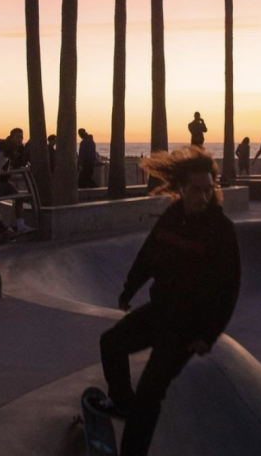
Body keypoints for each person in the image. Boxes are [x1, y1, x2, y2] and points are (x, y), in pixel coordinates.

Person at [95, 146, 241, 456]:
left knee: (149, 393)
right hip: (161, 311)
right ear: (181, 189)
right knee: (111, 343)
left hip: (188, 329)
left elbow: (229, 288)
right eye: (195, 190)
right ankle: (122, 404)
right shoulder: (172, 216)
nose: (202, 197)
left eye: (207, 190)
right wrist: (129, 287)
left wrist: (208, 334)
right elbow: (149, 253)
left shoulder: (221, 230)